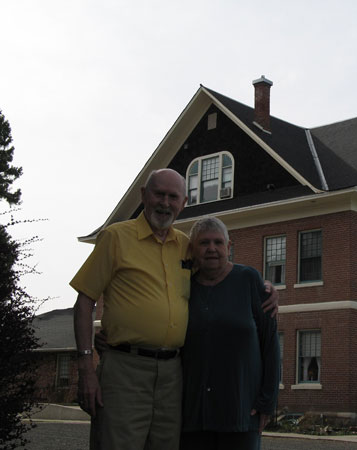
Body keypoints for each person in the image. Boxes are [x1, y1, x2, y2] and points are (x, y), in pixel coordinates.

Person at [71, 169, 278, 450]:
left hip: (172, 375)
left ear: (183, 203)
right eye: (159, 194)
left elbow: (218, 270)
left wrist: (265, 286)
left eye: (173, 197)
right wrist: (86, 365)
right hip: (125, 368)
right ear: (144, 195)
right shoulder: (116, 237)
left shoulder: (184, 245)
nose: (165, 203)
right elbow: (85, 301)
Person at [180, 216, 279, 450]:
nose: (211, 248)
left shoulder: (249, 280)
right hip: (193, 415)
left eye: (218, 242)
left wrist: (267, 401)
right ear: (192, 249)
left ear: (229, 246)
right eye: (204, 243)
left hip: (240, 413)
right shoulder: (182, 286)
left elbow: (270, 346)